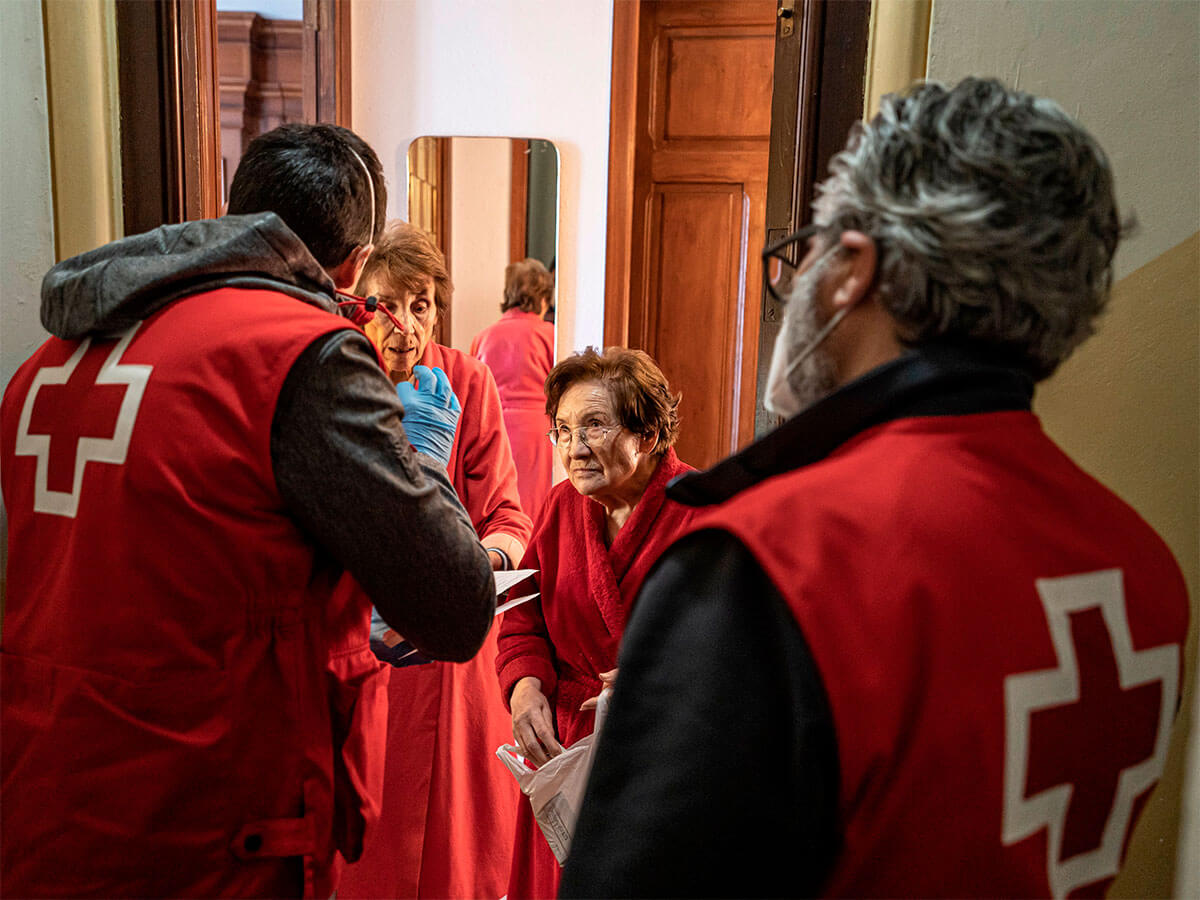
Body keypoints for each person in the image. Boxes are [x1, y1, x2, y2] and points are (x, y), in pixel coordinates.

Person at [561, 78, 1190, 897]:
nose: (795, 285)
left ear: (853, 270)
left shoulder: (772, 562)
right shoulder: (1140, 563)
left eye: (806, 252)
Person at [0, 124, 495, 898]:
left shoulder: (50, 362)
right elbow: (454, 605)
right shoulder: (302, 354)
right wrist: (426, 456)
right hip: (205, 826)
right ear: (356, 268)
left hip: (48, 801)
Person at [338, 221, 532, 900]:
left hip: (450, 650)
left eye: (421, 305)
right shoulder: (335, 383)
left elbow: (509, 515)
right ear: (356, 305)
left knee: (454, 851)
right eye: (386, 304)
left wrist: (472, 561)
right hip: (364, 646)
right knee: (373, 840)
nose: (406, 325)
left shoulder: (466, 381)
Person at [496, 347, 698, 900]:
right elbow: (523, 611)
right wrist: (525, 687)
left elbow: (737, 648)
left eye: (594, 427)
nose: (573, 449)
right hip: (562, 751)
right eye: (561, 430)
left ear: (649, 436)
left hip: (656, 750)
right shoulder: (563, 507)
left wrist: (653, 678)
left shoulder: (702, 514)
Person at [470, 257, 557, 522]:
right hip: (538, 431)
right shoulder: (550, 334)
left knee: (502, 502)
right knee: (537, 505)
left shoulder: (483, 338)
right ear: (543, 298)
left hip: (494, 427)